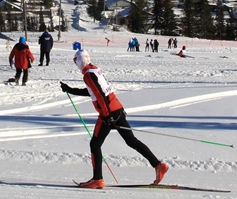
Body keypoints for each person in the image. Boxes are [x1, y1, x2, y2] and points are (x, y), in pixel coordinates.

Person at [60, 45, 169, 189]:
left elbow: (100, 95)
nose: (76, 65)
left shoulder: (88, 74)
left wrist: (107, 116)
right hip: (117, 109)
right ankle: (158, 165)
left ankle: (97, 179)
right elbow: (94, 92)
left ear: (81, 61)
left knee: (95, 144)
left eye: (76, 61)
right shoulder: (95, 70)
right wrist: (70, 90)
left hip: (108, 113)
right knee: (131, 141)